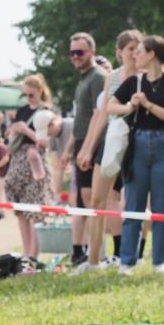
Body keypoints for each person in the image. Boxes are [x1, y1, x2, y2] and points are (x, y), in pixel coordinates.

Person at [107, 36, 164, 274]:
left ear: (152, 55)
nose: (134, 55)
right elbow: (109, 106)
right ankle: (127, 262)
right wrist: (130, 107)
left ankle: (159, 261)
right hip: (137, 145)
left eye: (139, 51)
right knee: (133, 207)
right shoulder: (133, 82)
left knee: (161, 206)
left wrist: (147, 104)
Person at [76, 29, 142, 272]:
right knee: (97, 198)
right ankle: (93, 260)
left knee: (136, 200)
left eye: (138, 48)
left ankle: (144, 253)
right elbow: (102, 114)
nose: (135, 54)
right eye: (130, 49)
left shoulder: (149, 76)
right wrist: (89, 150)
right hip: (112, 140)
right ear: (119, 52)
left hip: (139, 140)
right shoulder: (113, 76)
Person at [60, 32, 108, 268]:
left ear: (92, 51)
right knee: (83, 201)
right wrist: (70, 149)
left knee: (92, 201)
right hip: (81, 143)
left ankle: (96, 254)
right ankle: (87, 252)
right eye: (72, 53)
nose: (75, 57)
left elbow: (99, 115)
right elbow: (80, 117)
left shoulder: (98, 77)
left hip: (94, 144)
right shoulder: (84, 78)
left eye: (80, 52)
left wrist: (88, 149)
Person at [4, 75, 60, 266]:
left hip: (35, 161)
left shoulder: (47, 112)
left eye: (31, 94)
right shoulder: (21, 111)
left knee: (35, 209)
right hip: (18, 161)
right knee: (20, 210)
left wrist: (25, 130)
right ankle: (26, 252)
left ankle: (33, 256)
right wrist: (13, 131)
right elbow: (12, 139)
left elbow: (45, 141)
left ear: (40, 91)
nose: (28, 97)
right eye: (25, 94)